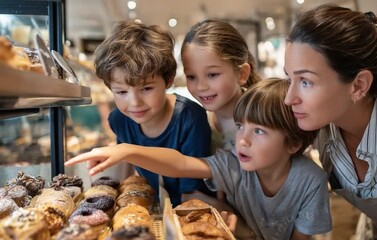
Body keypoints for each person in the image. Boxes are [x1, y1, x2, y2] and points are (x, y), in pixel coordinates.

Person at [65, 79, 332, 240]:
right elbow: (180, 163)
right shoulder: (232, 164)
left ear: (293, 143)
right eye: (240, 127)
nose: (243, 140)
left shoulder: (310, 181)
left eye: (259, 131)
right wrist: (129, 151)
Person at [284, 4, 377, 239]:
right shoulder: (323, 123)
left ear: (359, 85)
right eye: (289, 78)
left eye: (306, 82)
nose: (290, 98)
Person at [91, 20, 214, 207]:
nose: (134, 103)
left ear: (168, 80)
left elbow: (192, 194)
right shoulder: (119, 119)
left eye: (146, 88)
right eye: (121, 92)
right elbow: (127, 171)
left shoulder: (190, 118)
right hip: (150, 209)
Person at [180, 19, 262, 152]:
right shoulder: (197, 124)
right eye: (191, 76)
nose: (201, 87)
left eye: (212, 75)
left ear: (242, 74)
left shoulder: (266, 120)